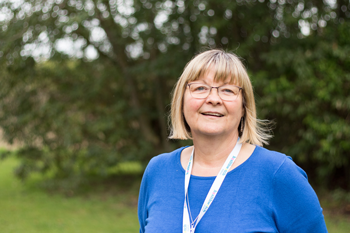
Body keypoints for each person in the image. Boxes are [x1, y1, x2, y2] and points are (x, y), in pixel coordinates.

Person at [138, 49, 328, 233]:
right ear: (182, 100)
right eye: (200, 88)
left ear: (244, 106)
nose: (213, 99)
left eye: (227, 90)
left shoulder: (279, 173)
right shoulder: (157, 171)